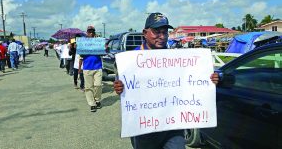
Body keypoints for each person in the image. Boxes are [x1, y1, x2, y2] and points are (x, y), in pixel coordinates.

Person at [113, 12, 219, 149]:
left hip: (173, 127)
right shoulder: (131, 60)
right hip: (145, 128)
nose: (162, 37)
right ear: (145, 33)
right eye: (156, 32)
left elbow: (194, 81)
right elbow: (121, 86)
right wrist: (119, 87)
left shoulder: (177, 59)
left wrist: (210, 79)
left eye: (165, 32)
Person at [82, 26, 103, 112]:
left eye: (92, 31)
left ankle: (97, 99)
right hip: (87, 67)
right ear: (87, 32)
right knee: (88, 87)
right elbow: (81, 55)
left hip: (98, 66)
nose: (91, 33)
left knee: (98, 85)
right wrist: (76, 47)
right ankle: (92, 103)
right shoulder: (83, 42)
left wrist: (104, 47)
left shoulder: (98, 41)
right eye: (89, 31)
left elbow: (103, 53)